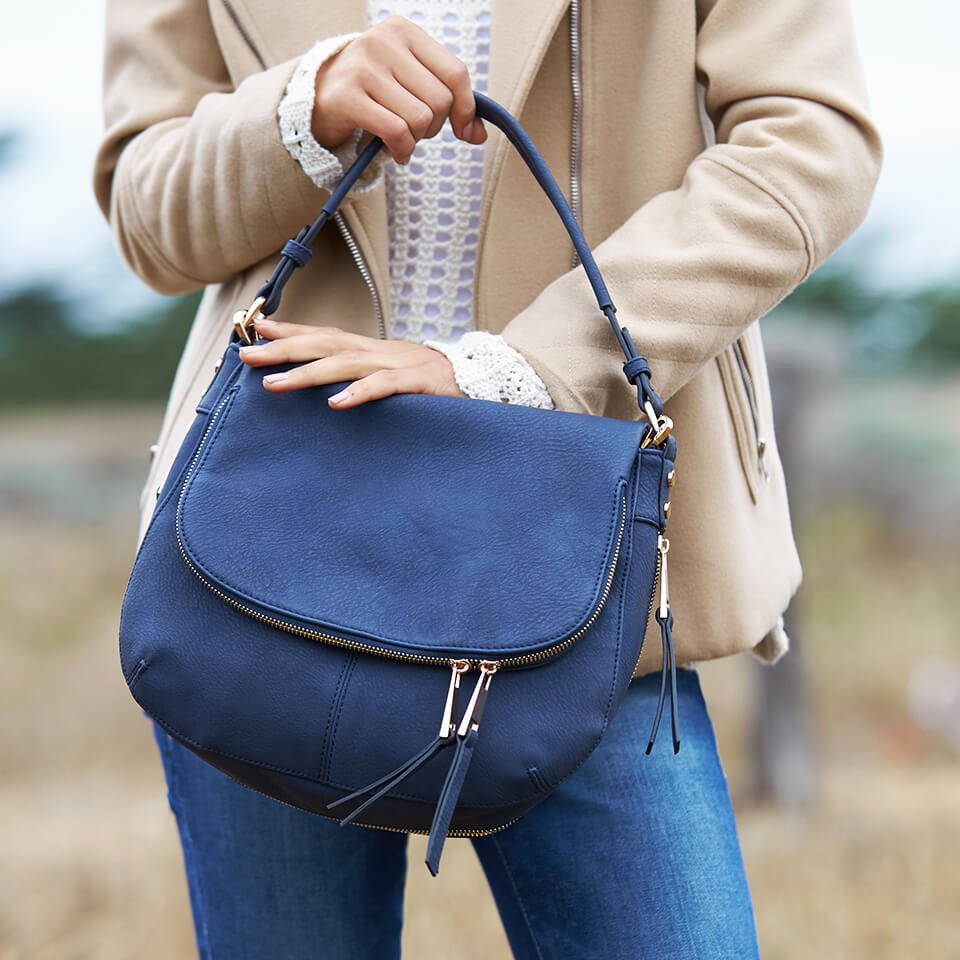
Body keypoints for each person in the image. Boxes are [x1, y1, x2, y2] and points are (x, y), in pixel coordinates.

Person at [93, 0, 882, 956]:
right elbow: (148, 213)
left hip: (573, 543)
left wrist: (524, 366)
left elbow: (811, 143)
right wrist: (301, 111)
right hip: (259, 553)